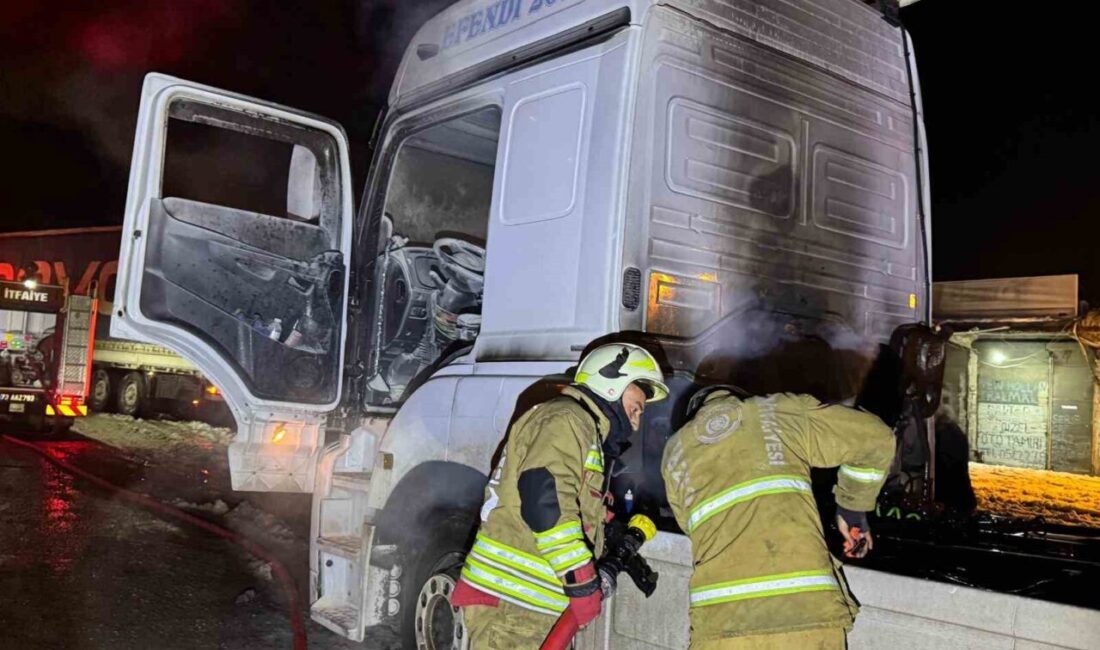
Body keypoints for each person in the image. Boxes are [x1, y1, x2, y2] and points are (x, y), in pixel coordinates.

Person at [451, 343, 669, 649]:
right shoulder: (567, 420)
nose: (635, 422)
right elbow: (544, 503)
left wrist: (606, 530)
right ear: (610, 386)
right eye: (635, 407)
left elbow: (564, 500)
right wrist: (581, 581)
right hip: (513, 602)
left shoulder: (579, 428)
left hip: (526, 606)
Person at [662, 387, 895, 649]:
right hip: (804, 619)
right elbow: (876, 438)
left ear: (692, 419)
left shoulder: (675, 453)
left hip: (720, 625)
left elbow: (691, 528)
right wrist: (851, 510)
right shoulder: (778, 411)